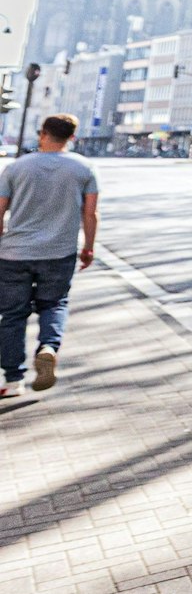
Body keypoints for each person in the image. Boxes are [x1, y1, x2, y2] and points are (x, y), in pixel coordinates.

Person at [0, 114, 99, 398]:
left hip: (14, 254)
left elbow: (0, 210)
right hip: (59, 253)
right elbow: (90, 213)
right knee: (54, 303)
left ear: (42, 133)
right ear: (72, 137)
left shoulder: (15, 168)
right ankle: (48, 348)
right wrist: (88, 247)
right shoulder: (84, 168)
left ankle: (12, 380)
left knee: (12, 315)